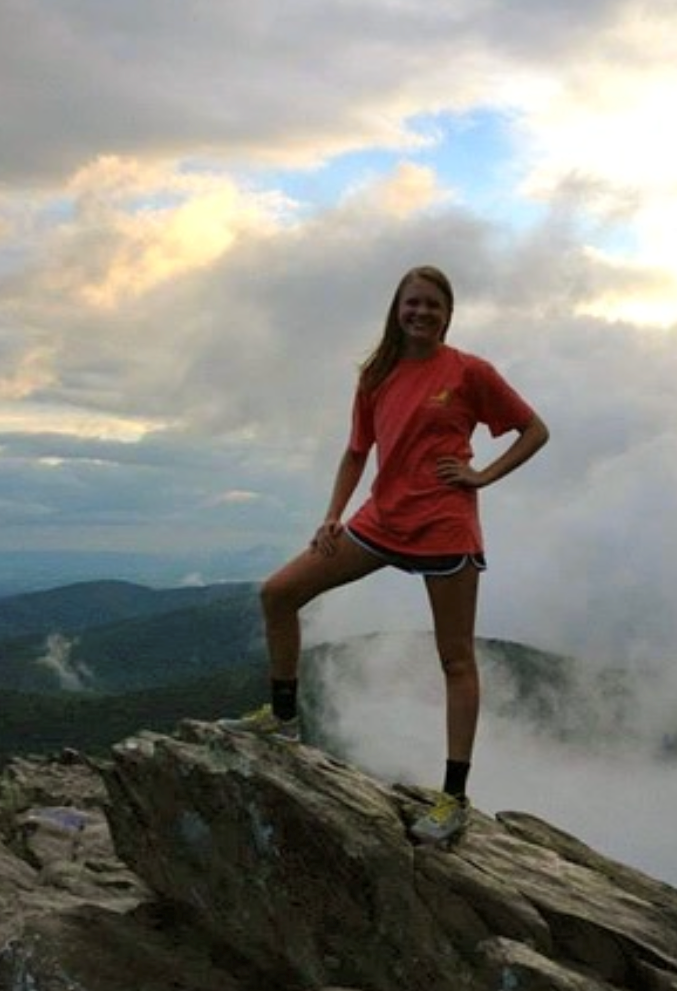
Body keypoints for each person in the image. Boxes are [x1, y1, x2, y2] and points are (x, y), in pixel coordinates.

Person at [220, 265, 550, 843]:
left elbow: (532, 429)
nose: (421, 313)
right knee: (279, 593)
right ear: (396, 310)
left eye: (433, 305)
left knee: (455, 661)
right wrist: (331, 516)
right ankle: (283, 716)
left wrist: (482, 476)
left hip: (445, 528)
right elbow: (356, 452)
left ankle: (453, 801)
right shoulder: (376, 375)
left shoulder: (470, 371)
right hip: (380, 521)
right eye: (412, 303)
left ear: (448, 315)